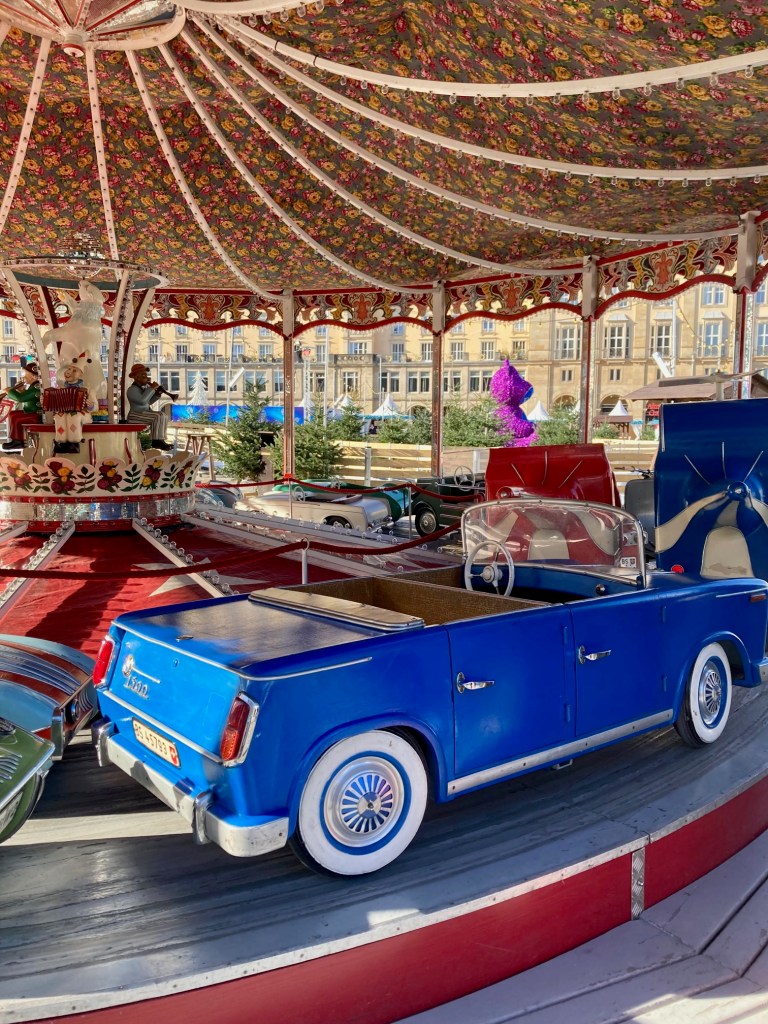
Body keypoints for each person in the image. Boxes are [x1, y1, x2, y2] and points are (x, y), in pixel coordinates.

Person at [126, 364, 176, 451]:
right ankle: (156, 441)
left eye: (146, 375)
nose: (147, 378)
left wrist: (157, 394)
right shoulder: (132, 389)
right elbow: (142, 401)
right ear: (137, 377)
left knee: (163, 415)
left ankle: (160, 440)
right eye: (144, 375)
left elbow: (148, 402)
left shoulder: (142, 388)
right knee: (158, 416)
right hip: (135, 415)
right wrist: (152, 388)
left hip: (143, 414)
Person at [0, 361, 42, 451]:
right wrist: (21, 390)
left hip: (35, 415)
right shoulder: (32, 387)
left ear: (33, 376)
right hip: (30, 412)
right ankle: (15, 440)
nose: (23, 377)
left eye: (25, 374)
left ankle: (18, 441)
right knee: (12, 414)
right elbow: (27, 397)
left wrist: (10, 391)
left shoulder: (36, 388)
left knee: (16, 418)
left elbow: (20, 398)